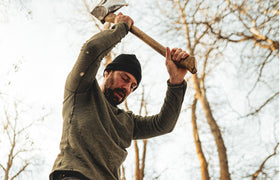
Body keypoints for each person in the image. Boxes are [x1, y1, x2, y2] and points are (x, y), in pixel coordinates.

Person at [50, 13, 189, 180]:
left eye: (133, 86)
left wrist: (177, 81)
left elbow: (164, 125)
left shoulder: (127, 122)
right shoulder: (81, 90)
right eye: (124, 78)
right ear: (107, 73)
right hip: (76, 175)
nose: (127, 88)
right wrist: (120, 28)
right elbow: (92, 50)